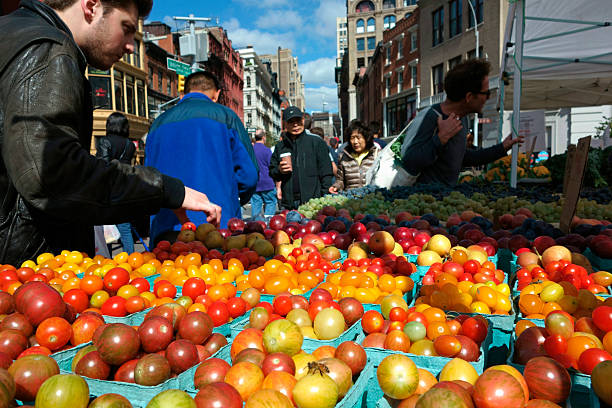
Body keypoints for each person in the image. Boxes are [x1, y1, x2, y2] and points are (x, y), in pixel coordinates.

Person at [0, 0, 221, 265]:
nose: (130, 46)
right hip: (23, 269)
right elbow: (50, 173)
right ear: (91, 6)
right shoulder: (50, 49)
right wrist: (166, 190)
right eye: (125, 28)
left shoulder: (14, 31)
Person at [145, 71, 258, 243]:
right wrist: (232, 197)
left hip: (167, 227)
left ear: (183, 94)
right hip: (218, 226)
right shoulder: (227, 117)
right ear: (216, 94)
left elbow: (147, 177)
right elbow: (249, 175)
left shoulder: (159, 122)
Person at [403, 59, 523, 185]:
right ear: (469, 97)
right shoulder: (431, 117)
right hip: (424, 200)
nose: (488, 97)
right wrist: (441, 138)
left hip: (448, 199)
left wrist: (502, 148)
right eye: (486, 93)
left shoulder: (463, 118)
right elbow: (410, 162)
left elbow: (462, 157)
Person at [270, 107, 333, 210]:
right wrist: (279, 170)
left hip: (313, 203)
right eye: (291, 122)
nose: (295, 125)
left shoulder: (316, 143)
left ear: (303, 120)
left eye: (298, 121)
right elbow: (272, 171)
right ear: (285, 124)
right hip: (288, 204)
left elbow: (326, 172)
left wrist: (324, 198)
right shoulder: (280, 146)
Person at [96, 112, 136, 254]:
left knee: (107, 230)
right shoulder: (130, 144)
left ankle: (107, 260)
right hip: (124, 188)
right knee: (125, 229)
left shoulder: (104, 141)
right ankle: (131, 259)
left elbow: (103, 166)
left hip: (108, 190)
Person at [329, 120, 380, 193]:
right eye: (352, 138)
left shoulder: (376, 155)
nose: (355, 142)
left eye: (358, 137)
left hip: (371, 199)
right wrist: (335, 187)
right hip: (351, 201)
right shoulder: (343, 157)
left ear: (366, 138)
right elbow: (340, 180)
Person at [250, 129, 277, 219]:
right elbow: (271, 166)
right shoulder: (267, 150)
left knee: (256, 204)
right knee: (270, 202)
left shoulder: (250, 151)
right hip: (267, 182)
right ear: (263, 138)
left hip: (254, 182)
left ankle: (255, 225)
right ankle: (268, 223)